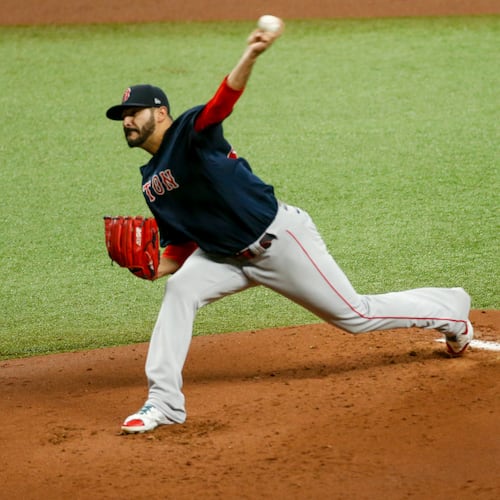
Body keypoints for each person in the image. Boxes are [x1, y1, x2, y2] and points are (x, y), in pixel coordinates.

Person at [105, 19, 473, 433]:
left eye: (133, 112)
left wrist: (252, 53)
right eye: (122, 116)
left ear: (160, 112)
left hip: (278, 241)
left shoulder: (191, 133)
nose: (126, 121)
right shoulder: (150, 183)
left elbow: (221, 102)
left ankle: (451, 314)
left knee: (354, 315)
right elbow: (181, 245)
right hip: (223, 257)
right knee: (180, 289)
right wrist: (153, 268)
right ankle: (164, 403)